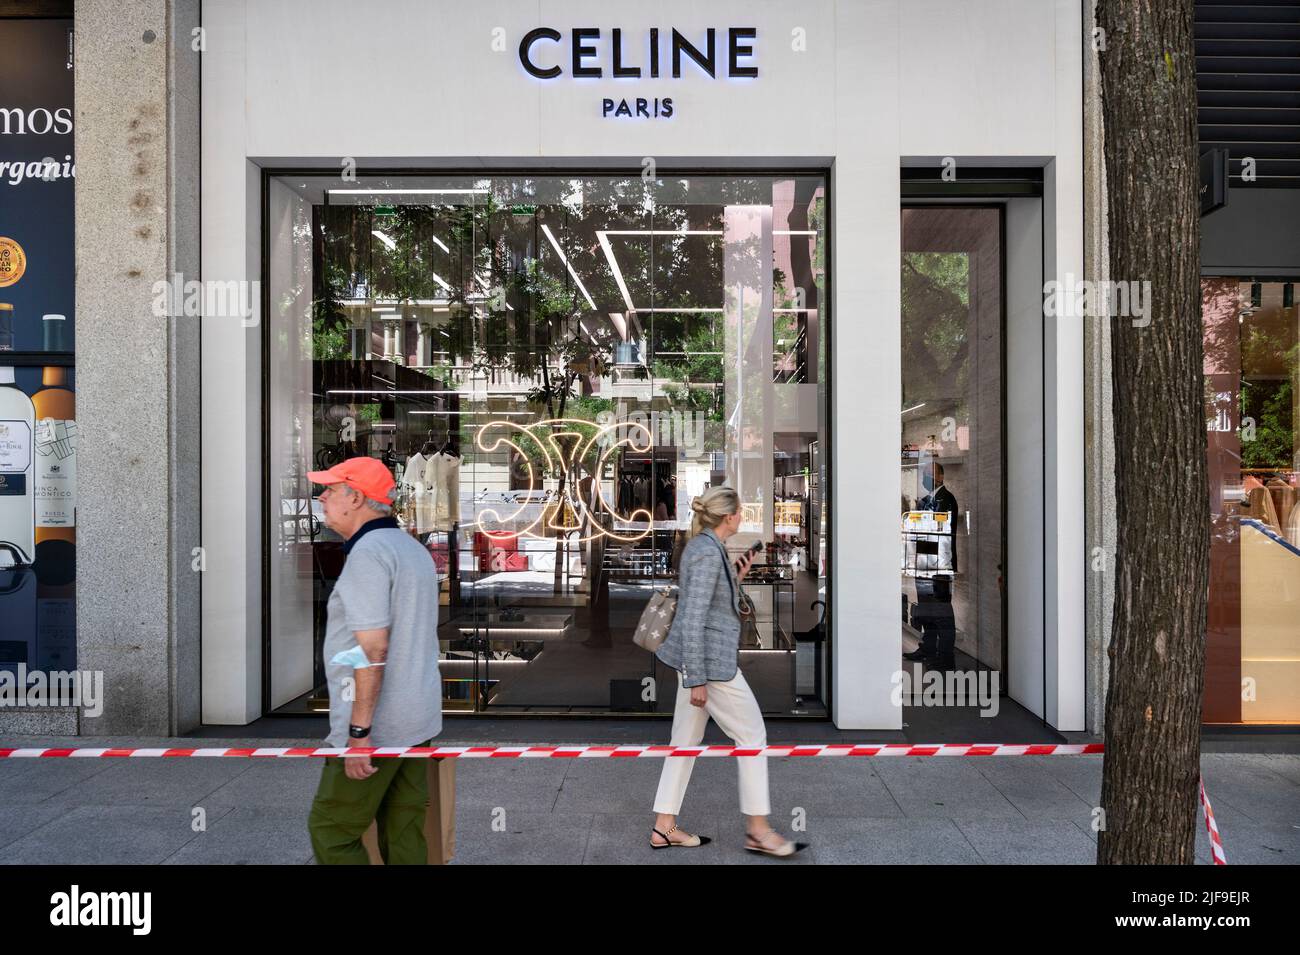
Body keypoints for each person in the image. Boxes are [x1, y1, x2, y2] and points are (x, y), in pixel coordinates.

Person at [649, 486, 806, 857]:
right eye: (739, 511)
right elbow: (693, 618)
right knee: (752, 736)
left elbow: (711, 598)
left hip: (702, 663)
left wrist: (739, 572)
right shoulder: (705, 552)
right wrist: (697, 678)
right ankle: (758, 830)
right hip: (711, 666)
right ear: (728, 516)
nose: (742, 516)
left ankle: (664, 826)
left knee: (683, 745)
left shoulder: (708, 547)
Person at [305, 456, 443, 864]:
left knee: (331, 830)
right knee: (403, 832)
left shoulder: (368, 554)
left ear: (357, 498)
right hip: (417, 719)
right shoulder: (410, 548)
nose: (323, 497)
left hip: (378, 729)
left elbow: (373, 649)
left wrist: (359, 732)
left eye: (331, 489)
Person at [905, 462, 958, 668]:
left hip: (938, 567)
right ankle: (927, 649)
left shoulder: (947, 499)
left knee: (943, 614)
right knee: (926, 611)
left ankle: (944, 659)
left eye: (930, 474)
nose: (926, 478)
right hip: (922, 565)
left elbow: (936, 531)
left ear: (941, 477)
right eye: (924, 474)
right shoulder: (925, 500)